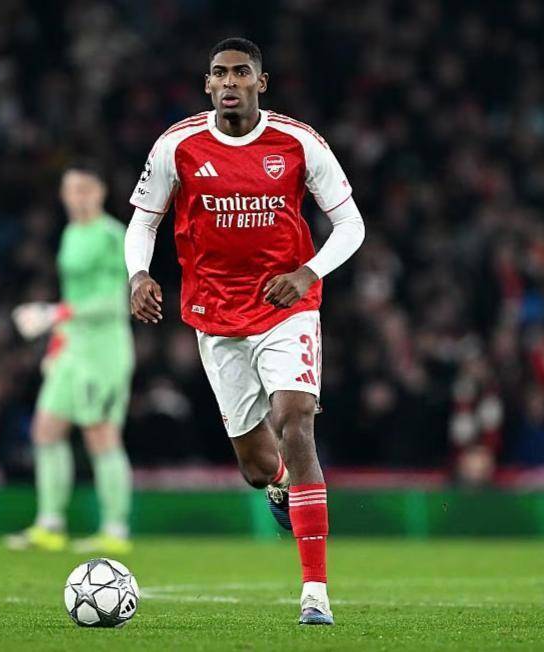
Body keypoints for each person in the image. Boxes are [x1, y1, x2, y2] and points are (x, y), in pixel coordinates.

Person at [124, 37, 365, 625]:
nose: (229, 81)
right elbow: (143, 223)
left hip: (287, 305)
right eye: (219, 73)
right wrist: (138, 275)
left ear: (262, 81)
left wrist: (306, 273)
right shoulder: (177, 145)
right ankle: (280, 483)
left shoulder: (299, 143)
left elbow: (351, 225)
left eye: (240, 72)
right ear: (208, 84)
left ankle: (315, 593)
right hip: (216, 315)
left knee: (296, 422)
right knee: (258, 467)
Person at [8, 162, 134, 554]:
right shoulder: (70, 234)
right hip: (72, 347)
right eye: (71, 190)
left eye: (85, 189)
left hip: (104, 350)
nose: (78, 198)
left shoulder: (112, 235)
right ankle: (50, 524)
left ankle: (115, 530)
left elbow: (115, 302)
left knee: (101, 435)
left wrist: (51, 314)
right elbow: (73, 297)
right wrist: (56, 343)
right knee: (45, 429)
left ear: (100, 192)